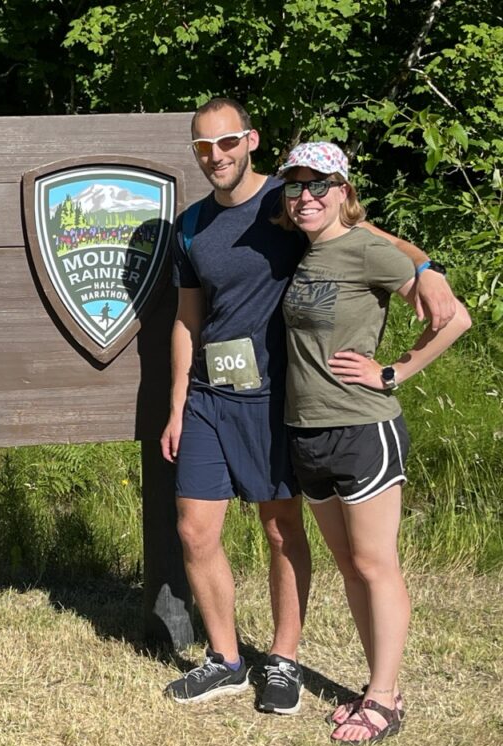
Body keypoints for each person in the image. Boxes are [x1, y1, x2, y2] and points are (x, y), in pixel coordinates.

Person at [161, 98, 457, 714]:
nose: (216, 156)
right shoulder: (190, 226)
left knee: (280, 529)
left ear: (251, 141)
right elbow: (188, 321)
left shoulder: (288, 198)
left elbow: (356, 229)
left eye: (227, 143)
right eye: (203, 147)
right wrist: (175, 404)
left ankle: (284, 661)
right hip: (210, 399)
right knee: (194, 530)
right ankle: (226, 661)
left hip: (277, 398)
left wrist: (424, 266)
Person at [275, 142, 469, 743]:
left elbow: (455, 318)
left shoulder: (365, 251)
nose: (306, 196)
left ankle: (384, 699)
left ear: (344, 190)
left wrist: (393, 372)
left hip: (363, 428)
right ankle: (375, 685)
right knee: (349, 566)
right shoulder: (305, 251)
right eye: (296, 186)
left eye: (320, 185)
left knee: (374, 564)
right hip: (308, 431)